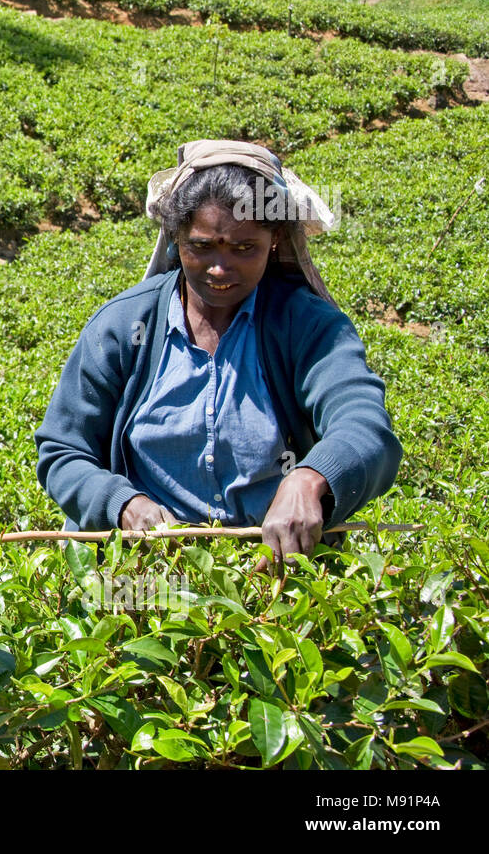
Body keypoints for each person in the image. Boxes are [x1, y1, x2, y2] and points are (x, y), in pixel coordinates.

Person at [34, 139, 402, 572]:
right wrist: (123, 504)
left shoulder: (307, 327)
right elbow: (63, 450)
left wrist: (309, 479)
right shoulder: (124, 327)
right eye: (202, 246)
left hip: (278, 574)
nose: (220, 269)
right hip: (146, 579)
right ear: (176, 239)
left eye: (244, 248)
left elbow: (365, 426)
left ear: (274, 238)